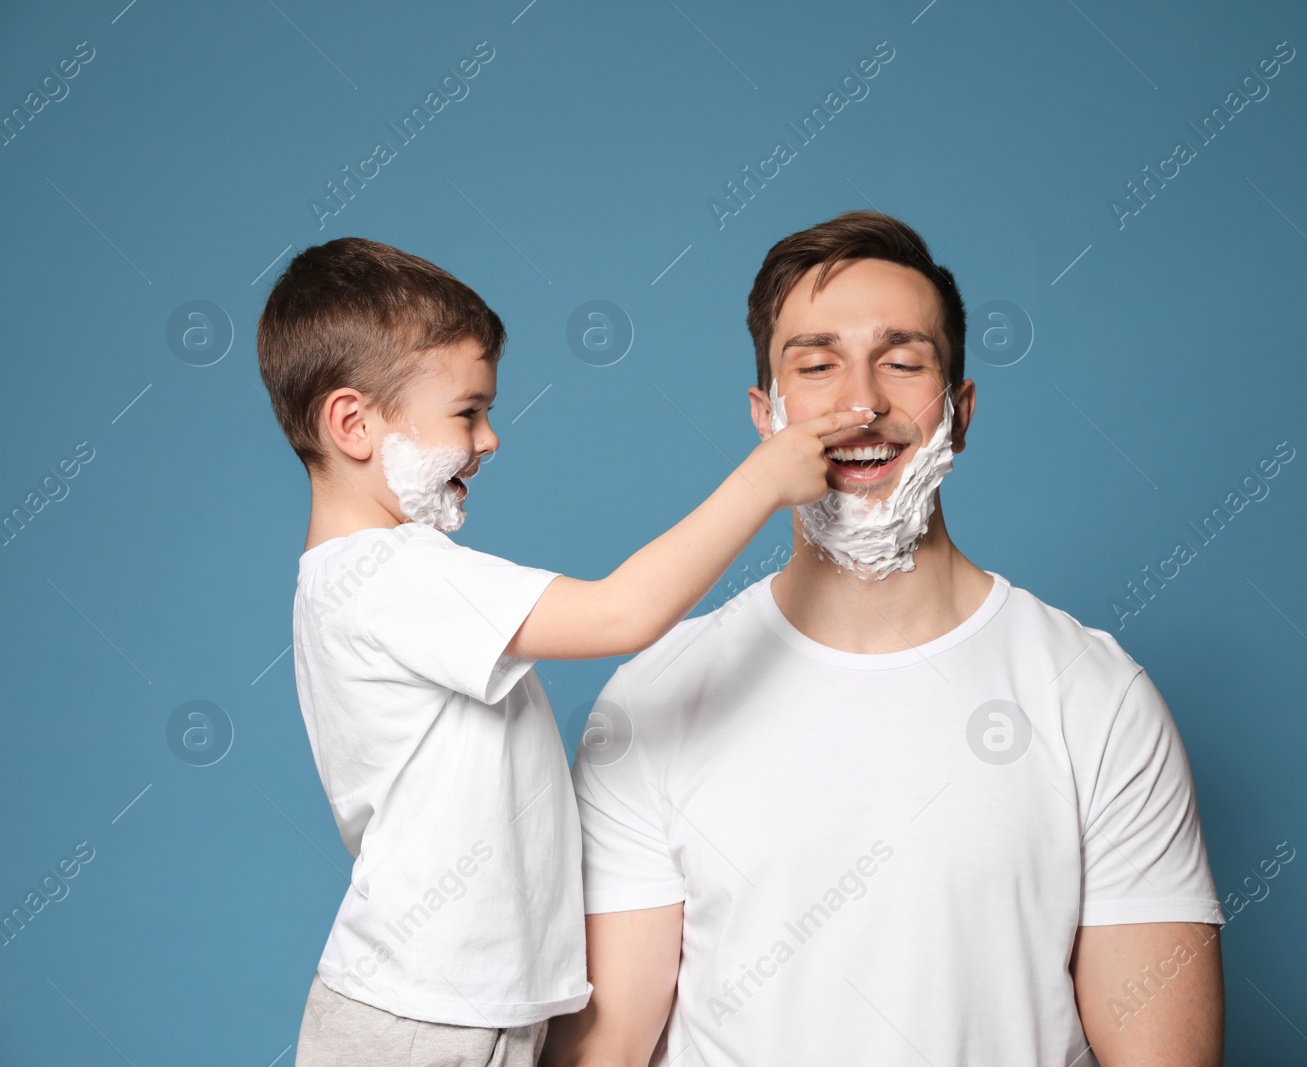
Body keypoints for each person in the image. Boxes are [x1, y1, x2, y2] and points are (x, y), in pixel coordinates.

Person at [544, 211, 1226, 1067]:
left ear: (960, 411)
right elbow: (601, 1054)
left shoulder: (1095, 696)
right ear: (767, 417)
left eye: (904, 363)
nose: (861, 403)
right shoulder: (654, 699)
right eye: (817, 364)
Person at [255, 237, 871, 1065]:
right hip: (417, 1021)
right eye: (467, 412)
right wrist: (763, 480)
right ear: (353, 424)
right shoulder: (388, 575)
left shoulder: (368, 579)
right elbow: (620, 613)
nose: (491, 438)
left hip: (465, 1011)